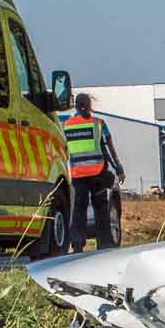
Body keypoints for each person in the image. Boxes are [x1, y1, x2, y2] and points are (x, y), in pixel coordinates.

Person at [61, 93, 122, 252]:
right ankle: (105, 244)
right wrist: (118, 167)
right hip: (97, 173)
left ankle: (77, 245)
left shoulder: (66, 126)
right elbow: (108, 147)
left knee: (79, 209)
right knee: (101, 208)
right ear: (89, 106)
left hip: (77, 174)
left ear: (75, 106)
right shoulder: (99, 123)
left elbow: (62, 150)